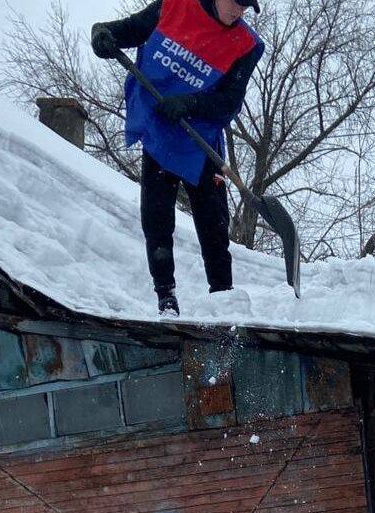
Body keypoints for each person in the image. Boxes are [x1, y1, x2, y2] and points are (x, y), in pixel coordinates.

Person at [91, 0, 265, 316]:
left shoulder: (246, 45)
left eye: (246, 6)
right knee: (156, 219)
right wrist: (103, 33)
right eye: (236, 2)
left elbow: (229, 103)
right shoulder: (175, 6)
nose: (239, 11)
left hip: (200, 142)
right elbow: (130, 30)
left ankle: (223, 301)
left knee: (214, 226)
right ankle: (166, 297)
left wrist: (189, 103)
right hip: (161, 134)